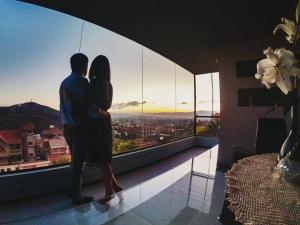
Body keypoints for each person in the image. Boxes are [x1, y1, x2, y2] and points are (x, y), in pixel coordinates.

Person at [59, 53, 94, 205]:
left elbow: (64, 108)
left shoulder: (64, 82)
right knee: (78, 163)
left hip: (67, 128)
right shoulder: (82, 82)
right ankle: (76, 196)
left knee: (75, 161)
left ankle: (72, 191)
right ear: (83, 66)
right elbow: (87, 108)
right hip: (79, 129)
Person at [88, 55, 123, 203]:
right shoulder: (109, 84)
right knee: (105, 158)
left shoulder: (94, 84)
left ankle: (109, 193)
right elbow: (106, 105)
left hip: (96, 124)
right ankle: (115, 186)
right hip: (105, 123)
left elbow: (90, 106)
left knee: (102, 161)